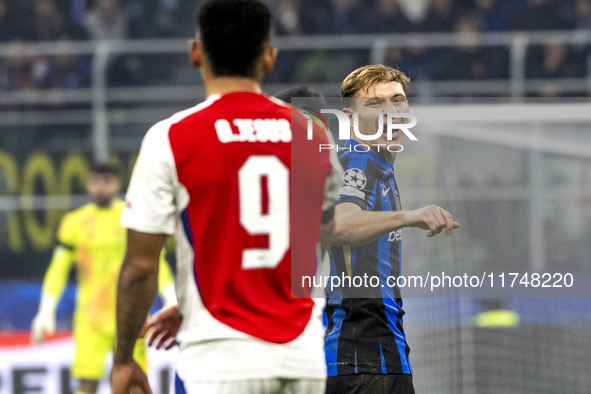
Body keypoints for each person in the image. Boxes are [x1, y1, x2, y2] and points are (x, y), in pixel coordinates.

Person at [111, 1, 340, 393]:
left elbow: (140, 267)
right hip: (301, 358)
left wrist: (122, 359)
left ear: (195, 53)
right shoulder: (312, 136)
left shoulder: (172, 138)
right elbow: (312, 246)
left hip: (219, 362)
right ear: (269, 58)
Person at [325, 64, 459, 394]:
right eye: (374, 103)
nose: (390, 112)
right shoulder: (360, 162)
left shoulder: (380, 165)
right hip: (365, 359)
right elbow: (339, 225)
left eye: (397, 101)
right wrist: (410, 217)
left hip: (372, 355)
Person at [31, 162, 177, 394]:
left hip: (131, 315)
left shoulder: (131, 217)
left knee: (133, 380)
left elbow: (155, 262)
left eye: (106, 182)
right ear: (88, 184)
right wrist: (46, 309)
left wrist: (171, 298)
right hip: (91, 321)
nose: (100, 188)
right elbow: (58, 268)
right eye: (95, 182)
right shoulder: (74, 222)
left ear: (117, 184)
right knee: (86, 384)